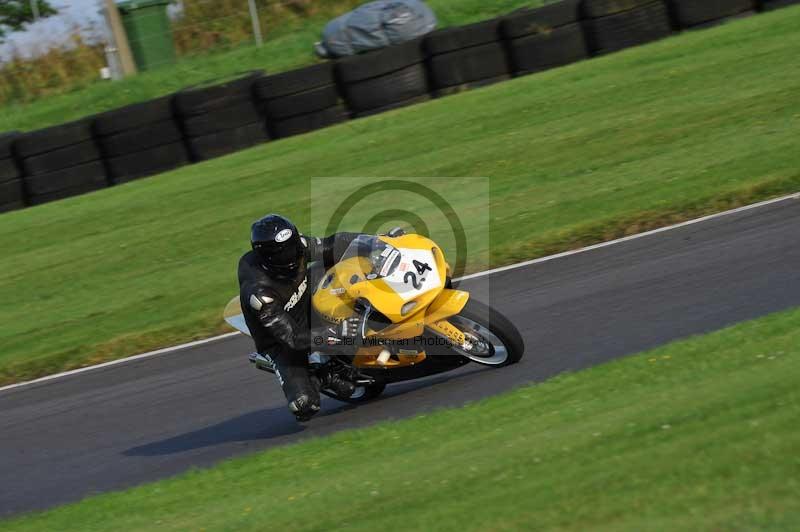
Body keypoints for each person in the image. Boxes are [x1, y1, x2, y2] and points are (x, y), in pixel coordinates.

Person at [238, 214, 365, 422]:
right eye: (283, 253)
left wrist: (379, 241)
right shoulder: (260, 293)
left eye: (293, 246)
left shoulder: (297, 246)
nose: (292, 255)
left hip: (307, 300)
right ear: (268, 258)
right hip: (282, 341)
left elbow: (332, 244)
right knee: (305, 406)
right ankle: (323, 375)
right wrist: (337, 334)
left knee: (343, 264)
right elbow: (295, 338)